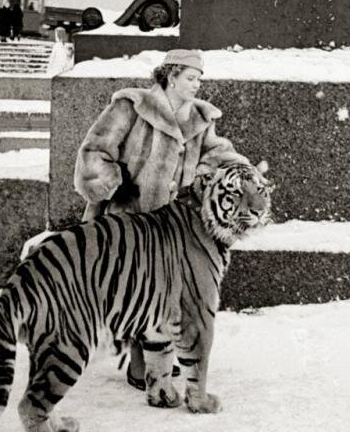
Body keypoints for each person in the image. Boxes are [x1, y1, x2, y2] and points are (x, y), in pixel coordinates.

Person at [74, 48, 248, 389]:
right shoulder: (132, 106)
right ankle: (139, 364)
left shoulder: (200, 118)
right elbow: (94, 151)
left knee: (169, 292)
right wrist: (113, 181)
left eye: (199, 79)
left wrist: (209, 171)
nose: (197, 85)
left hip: (176, 224)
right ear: (171, 76)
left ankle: (159, 362)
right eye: (191, 78)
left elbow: (220, 153)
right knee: (138, 291)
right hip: (131, 217)